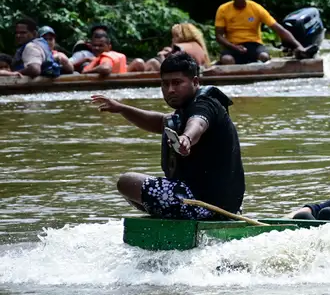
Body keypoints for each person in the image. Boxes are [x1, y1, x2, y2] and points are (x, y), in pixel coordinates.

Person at [90, 52, 244, 219]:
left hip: (209, 206)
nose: (170, 90)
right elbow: (160, 122)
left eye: (177, 83)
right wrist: (122, 109)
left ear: (195, 82)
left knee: (127, 182)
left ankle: (195, 218)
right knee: (135, 192)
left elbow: (198, 123)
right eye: (165, 84)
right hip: (214, 204)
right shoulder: (184, 109)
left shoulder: (205, 105)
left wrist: (186, 138)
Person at [215, 0, 308, 65]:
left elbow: (279, 29)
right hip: (233, 45)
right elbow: (219, 36)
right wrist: (234, 47)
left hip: (254, 45)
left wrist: (298, 46)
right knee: (227, 60)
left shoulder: (256, 8)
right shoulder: (223, 9)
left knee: (264, 57)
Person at [81, 25, 146, 75]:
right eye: (95, 45)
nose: (97, 48)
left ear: (109, 47)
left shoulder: (106, 57)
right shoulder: (113, 56)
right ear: (90, 45)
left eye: (100, 46)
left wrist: (86, 72)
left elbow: (105, 68)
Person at [145, 23, 211, 72]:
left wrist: (161, 55)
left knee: (152, 62)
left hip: (182, 74)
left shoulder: (179, 47)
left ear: (181, 36)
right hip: (192, 73)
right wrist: (170, 51)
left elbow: (169, 68)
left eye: (174, 36)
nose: (172, 39)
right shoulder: (199, 46)